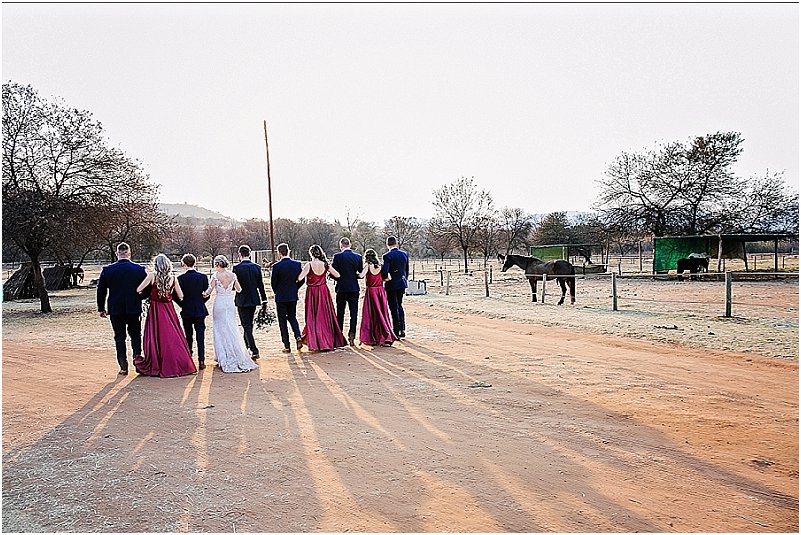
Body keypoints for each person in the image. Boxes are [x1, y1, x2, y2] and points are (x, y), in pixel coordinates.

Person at [134, 254, 197, 377]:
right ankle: (178, 362)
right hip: (168, 309)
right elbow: (181, 296)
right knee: (172, 335)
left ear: (156, 265)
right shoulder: (173, 278)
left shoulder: (152, 276)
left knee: (156, 336)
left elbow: (138, 289)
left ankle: (157, 362)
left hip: (155, 309)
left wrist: (149, 295)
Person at [97, 242, 148, 375]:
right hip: (134, 308)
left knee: (119, 336)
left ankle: (123, 366)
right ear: (129, 253)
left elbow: (101, 290)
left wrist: (101, 308)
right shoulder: (139, 269)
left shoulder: (107, 270)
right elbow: (147, 289)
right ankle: (138, 363)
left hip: (115, 308)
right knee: (136, 335)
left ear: (117, 253)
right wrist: (140, 298)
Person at [203, 255, 259, 373]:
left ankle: (223, 356)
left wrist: (203, 294)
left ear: (218, 265)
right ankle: (236, 354)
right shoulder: (232, 275)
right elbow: (239, 290)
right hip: (229, 302)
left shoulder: (215, 276)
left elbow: (209, 291)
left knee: (220, 329)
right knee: (231, 328)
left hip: (219, 303)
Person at [297, 245, 347, 351]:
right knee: (324, 316)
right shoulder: (325, 264)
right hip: (323, 291)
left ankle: (316, 341)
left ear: (311, 253)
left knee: (313, 317)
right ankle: (326, 340)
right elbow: (337, 275)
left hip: (312, 292)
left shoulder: (309, 265)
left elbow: (299, 278)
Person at [173, 253, 210, 370]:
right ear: (195, 262)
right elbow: (206, 294)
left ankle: (188, 359)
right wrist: (201, 302)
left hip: (187, 310)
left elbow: (175, 296)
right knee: (200, 336)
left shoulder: (180, 279)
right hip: (200, 310)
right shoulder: (203, 277)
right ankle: (201, 360)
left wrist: (183, 304)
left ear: (184, 264)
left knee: (188, 336)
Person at [232, 245, 268, 360]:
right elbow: (260, 285)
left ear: (240, 254)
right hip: (253, 299)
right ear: (250, 253)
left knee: (246, 325)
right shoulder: (256, 267)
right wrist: (264, 299)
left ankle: (254, 349)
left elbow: (235, 287)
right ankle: (245, 345)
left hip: (242, 299)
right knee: (249, 324)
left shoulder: (236, 268)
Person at [359, 249, 398, 347]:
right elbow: (388, 278)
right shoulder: (381, 266)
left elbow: (361, 275)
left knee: (371, 314)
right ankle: (386, 335)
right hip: (380, 291)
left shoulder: (367, 265)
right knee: (382, 313)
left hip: (371, 291)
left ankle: (372, 337)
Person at [270, 243, 305, 353]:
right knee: (292, 317)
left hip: (281, 296)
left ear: (279, 253)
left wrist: (277, 292)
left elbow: (273, 283)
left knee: (282, 321)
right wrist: (295, 288)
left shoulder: (276, 266)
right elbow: (301, 279)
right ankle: (298, 336)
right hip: (292, 295)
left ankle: (287, 345)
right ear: (288, 251)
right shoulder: (297, 264)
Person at [331, 237, 364, 346]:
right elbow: (360, 272)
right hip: (354, 288)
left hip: (341, 288)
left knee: (340, 312)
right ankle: (352, 335)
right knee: (353, 313)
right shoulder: (358, 257)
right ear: (350, 245)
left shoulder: (337, 257)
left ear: (341, 246)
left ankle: (339, 336)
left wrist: (337, 278)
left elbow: (333, 273)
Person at [382, 236, 409, 339]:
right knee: (400, 305)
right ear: (396, 243)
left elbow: (385, 271)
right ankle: (402, 329)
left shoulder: (387, 256)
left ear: (387, 244)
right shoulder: (404, 254)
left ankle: (396, 331)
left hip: (392, 284)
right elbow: (407, 270)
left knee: (394, 307)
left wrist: (385, 278)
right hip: (402, 282)